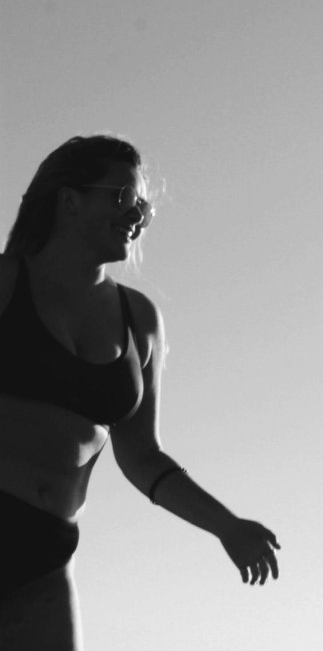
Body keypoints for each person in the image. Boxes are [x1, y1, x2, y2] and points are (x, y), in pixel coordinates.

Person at [0, 135, 281, 649]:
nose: (137, 214)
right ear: (69, 200)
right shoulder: (6, 283)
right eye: (123, 196)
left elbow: (143, 456)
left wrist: (227, 526)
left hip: (48, 556)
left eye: (143, 206)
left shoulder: (139, 319)